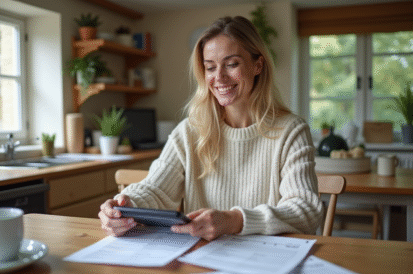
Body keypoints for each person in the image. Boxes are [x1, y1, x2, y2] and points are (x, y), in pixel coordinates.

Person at [99, 16, 323, 241]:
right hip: (200, 259)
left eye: (232, 64)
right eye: (210, 67)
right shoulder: (189, 132)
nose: (219, 78)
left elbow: (306, 211)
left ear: (258, 65)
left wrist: (234, 220)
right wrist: (124, 204)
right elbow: (155, 189)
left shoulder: (291, 131)